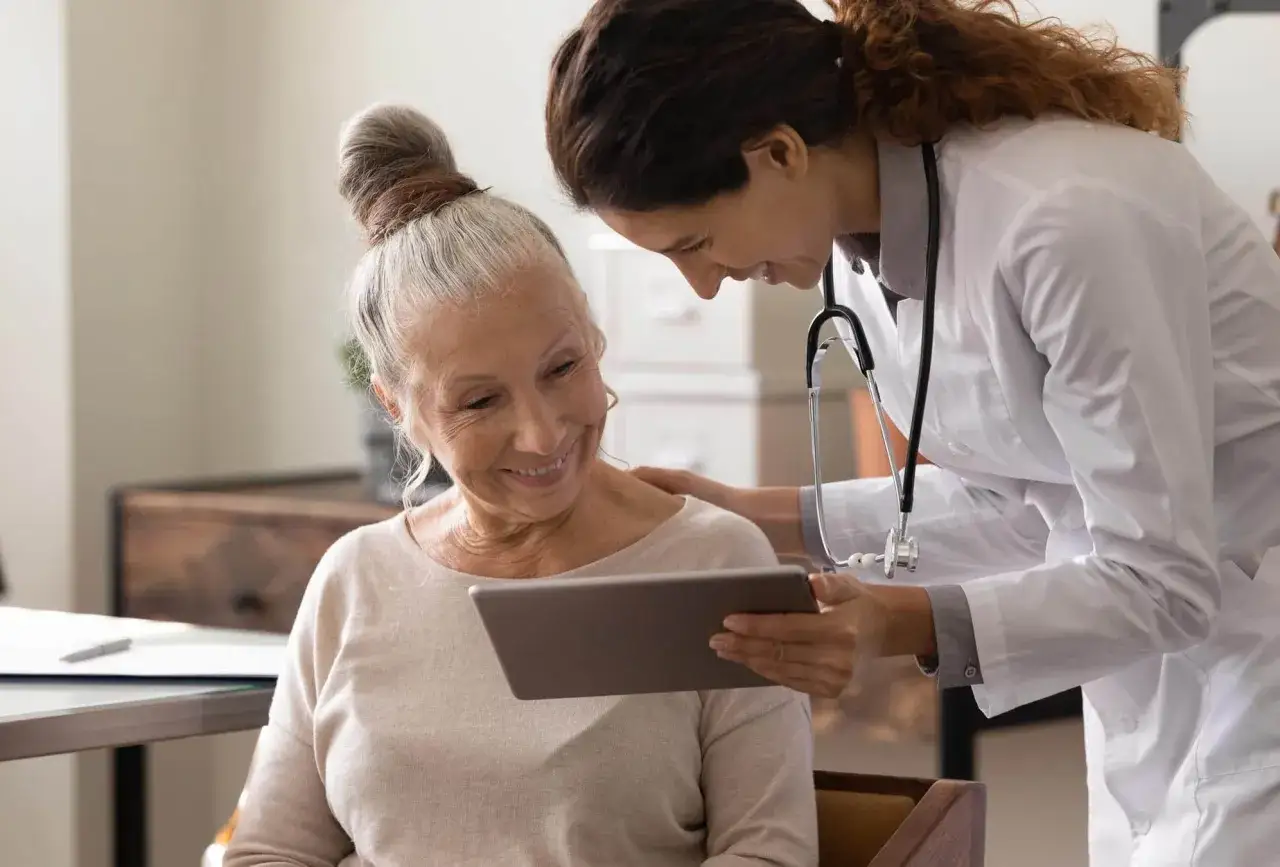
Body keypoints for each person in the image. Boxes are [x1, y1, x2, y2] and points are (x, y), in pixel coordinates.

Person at [543, 0, 1280, 864]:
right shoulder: (864, 254)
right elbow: (1026, 499)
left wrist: (898, 622)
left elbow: (1165, 577)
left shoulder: (1064, 218)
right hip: (1161, 674)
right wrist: (742, 512)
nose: (703, 285)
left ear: (779, 152)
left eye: (695, 243)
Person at [223, 104, 819, 867]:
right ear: (396, 408)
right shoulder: (355, 578)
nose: (540, 434)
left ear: (593, 335)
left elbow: (769, 853)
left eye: (562, 367)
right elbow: (268, 851)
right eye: (479, 401)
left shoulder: (715, 565)